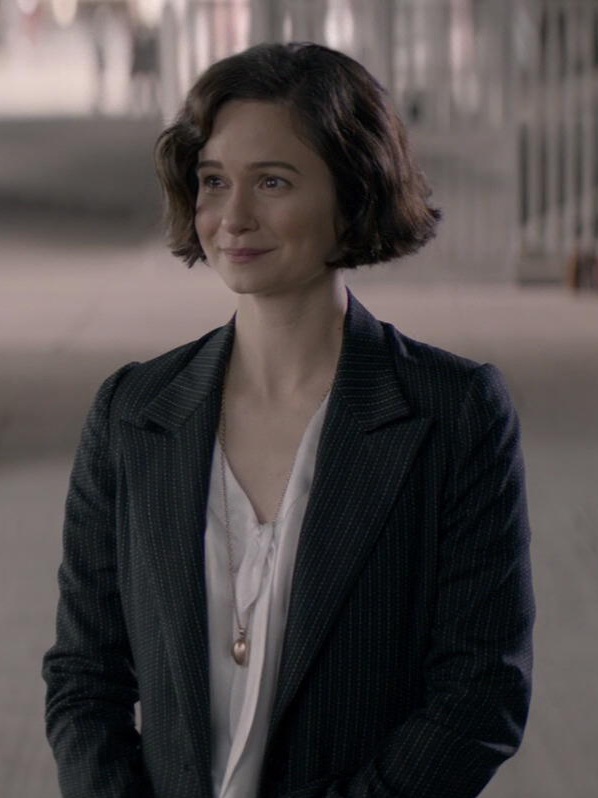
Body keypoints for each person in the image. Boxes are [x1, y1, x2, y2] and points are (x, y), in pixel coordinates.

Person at [42, 42, 535, 798]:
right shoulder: (132, 413)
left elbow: (480, 696)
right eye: (214, 181)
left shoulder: (454, 412)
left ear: (353, 194)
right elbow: (84, 678)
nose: (233, 217)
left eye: (272, 181)